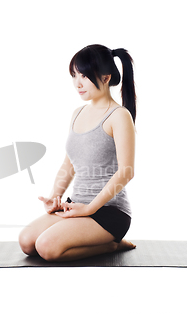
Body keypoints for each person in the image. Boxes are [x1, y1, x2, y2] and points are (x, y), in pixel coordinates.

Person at [18, 44, 137, 262]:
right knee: (27, 241)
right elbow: (69, 164)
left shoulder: (119, 116)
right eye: (74, 75)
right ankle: (97, 234)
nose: (77, 83)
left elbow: (126, 172)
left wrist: (89, 208)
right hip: (77, 206)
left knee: (47, 248)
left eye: (84, 75)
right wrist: (55, 197)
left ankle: (112, 244)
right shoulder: (77, 113)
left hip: (109, 213)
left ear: (106, 77)